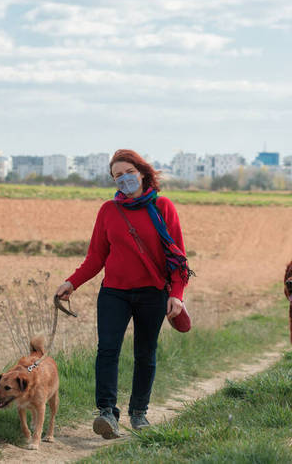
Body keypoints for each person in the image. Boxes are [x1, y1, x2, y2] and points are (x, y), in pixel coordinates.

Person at [55, 149, 192, 439]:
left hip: (153, 293)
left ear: (142, 173)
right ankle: (107, 413)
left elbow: (178, 258)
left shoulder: (162, 206)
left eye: (129, 172)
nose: (124, 179)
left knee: (145, 353)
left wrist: (177, 294)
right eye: (118, 176)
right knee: (107, 350)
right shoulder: (108, 211)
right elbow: (95, 257)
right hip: (114, 293)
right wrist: (72, 282)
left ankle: (139, 413)